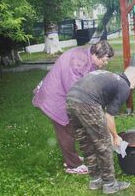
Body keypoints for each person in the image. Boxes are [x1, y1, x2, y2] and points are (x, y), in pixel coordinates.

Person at [32, 40, 114, 174]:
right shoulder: (78, 63)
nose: (105, 64)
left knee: (72, 127)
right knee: (66, 130)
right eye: (104, 60)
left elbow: (88, 83)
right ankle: (72, 165)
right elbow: (76, 93)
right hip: (55, 98)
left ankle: (72, 157)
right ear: (95, 54)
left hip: (62, 93)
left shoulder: (87, 57)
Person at [66, 67, 135, 194]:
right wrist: (115, 136)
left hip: (71, 99)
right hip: (87, 102)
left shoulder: (112, 77)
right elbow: (108, 116)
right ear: (134, 78)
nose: (134, 86)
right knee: (104, 144)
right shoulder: (124, 86)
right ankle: (110, 184)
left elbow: (102, 111)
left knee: (86, 142)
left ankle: (95, 180)